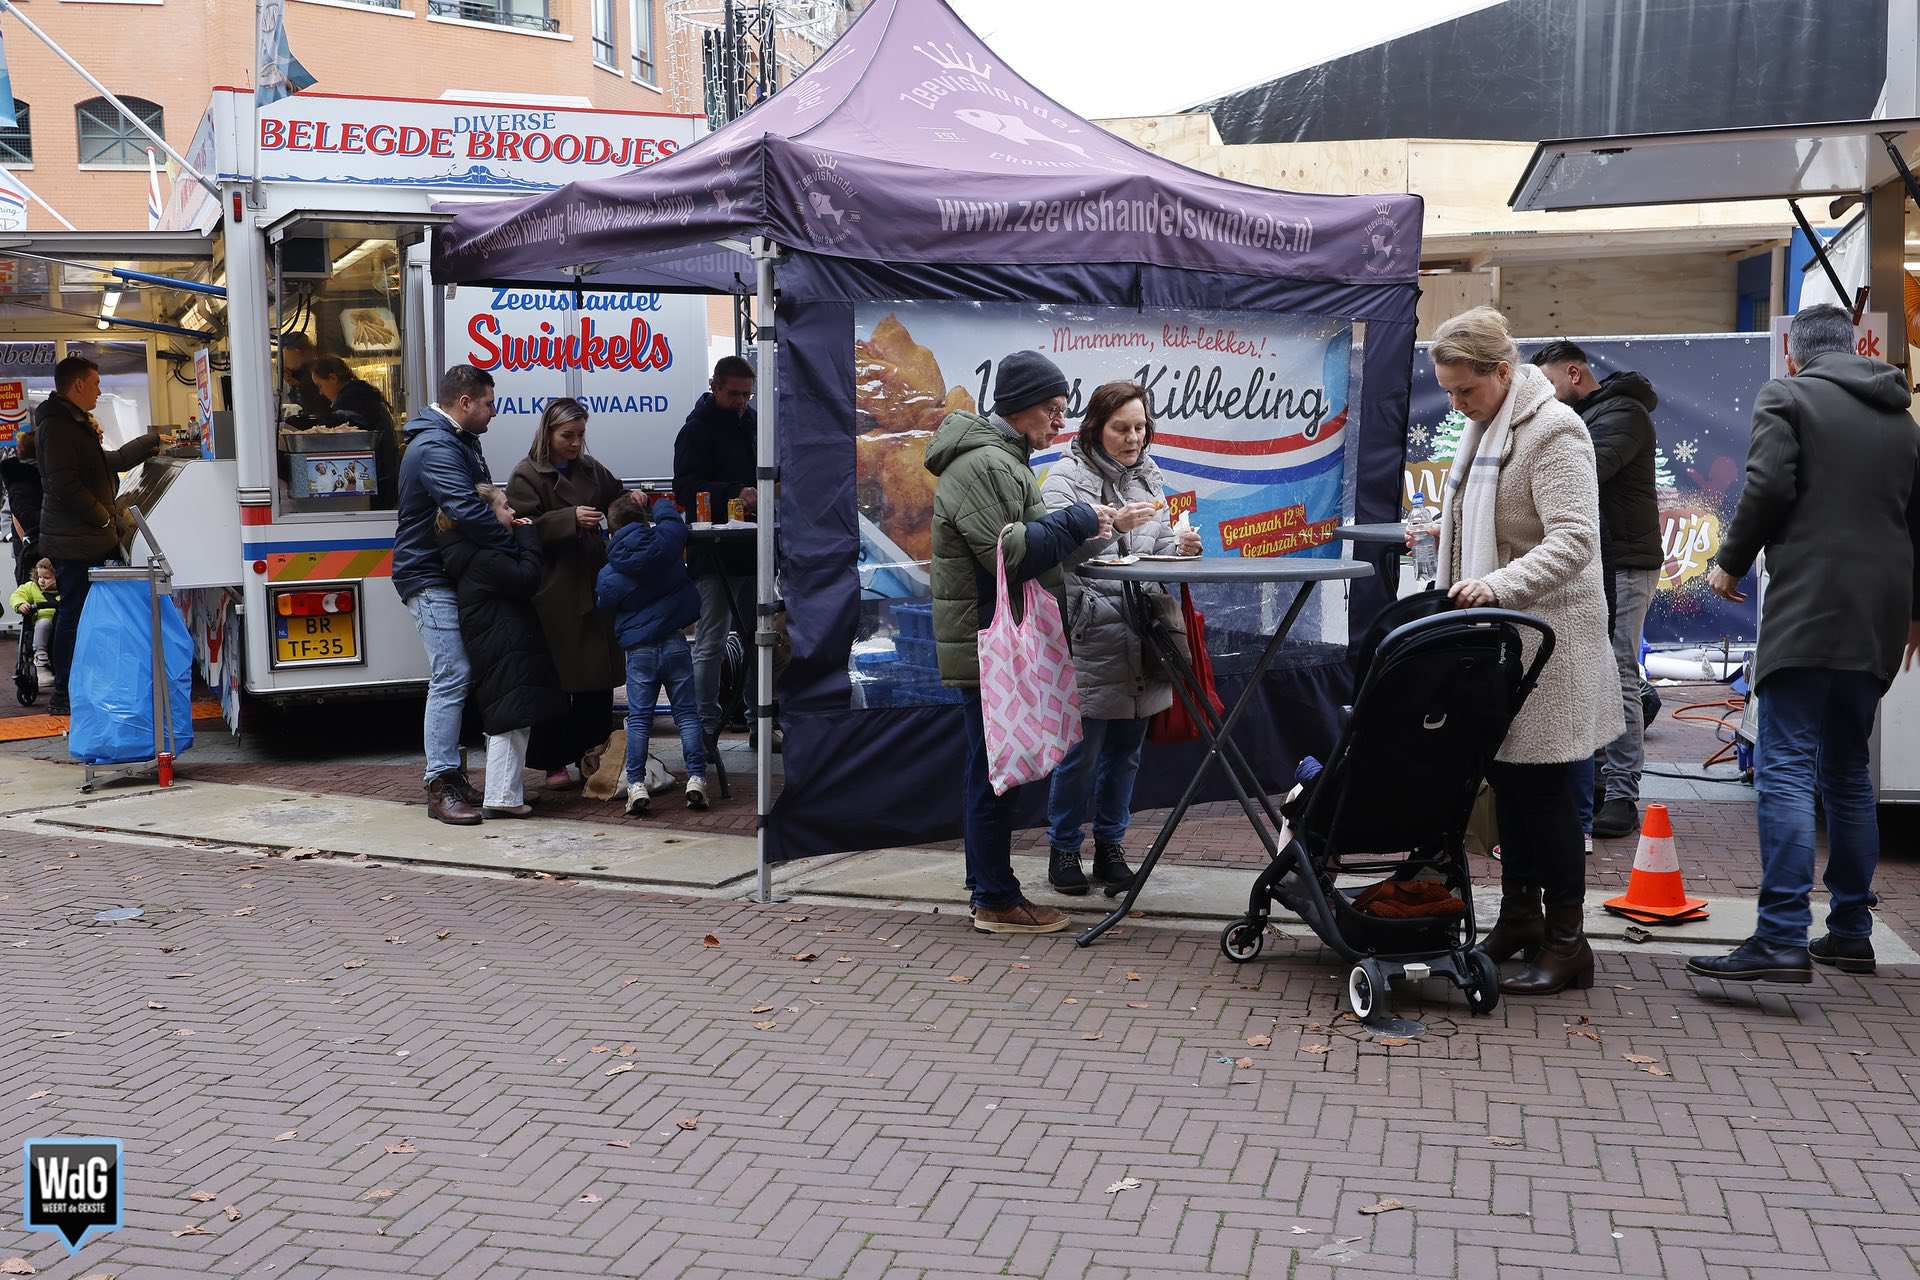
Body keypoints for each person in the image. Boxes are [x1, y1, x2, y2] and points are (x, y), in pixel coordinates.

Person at [1689, 304, 1920, 984]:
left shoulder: (1787, 396)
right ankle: (1850, 931)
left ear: (1794, 352)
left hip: (1812, 601)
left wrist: (1729, 562)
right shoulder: (1902, 419)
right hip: (1880, 610)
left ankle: (1781, 936)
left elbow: (1767, 484)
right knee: (1848, 770)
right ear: (1855, 348)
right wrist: (1915, 613)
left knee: (1786, 766)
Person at [1428, 307, 1622, 995]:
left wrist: (1495, 584)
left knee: (1545, 797)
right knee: (1510, 787)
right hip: (1506, 644)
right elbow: (1493, 522)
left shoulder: (1555, 430)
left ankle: (1568, 944)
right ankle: (1520, 919)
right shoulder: (1488, 428)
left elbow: (1575, 539)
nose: (1456, 404)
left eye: (1465, 390)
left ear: (1504, 373)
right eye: (1448, 391)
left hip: (1551, 645)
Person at [928, 350, 1115, 935]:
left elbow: (1030, 544)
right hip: (990, 642)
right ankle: (995, 899)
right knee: (996, 774)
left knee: (989, 769)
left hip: (990, 637)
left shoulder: (1001, 459)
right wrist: (1079, 518)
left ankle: (987, 888)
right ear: (1021, 406)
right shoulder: (985, 464)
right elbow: (1011, 555)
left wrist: (1092, 528)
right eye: (1053, 409)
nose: (1060, 422)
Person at [1038, 380, 1201, 895]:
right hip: (1090, 633)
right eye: (1122, 428)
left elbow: (1156, 550)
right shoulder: (1064, 480)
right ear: (1095, 428)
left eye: (1141, 427)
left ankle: (1111, 846)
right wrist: (1112, 527)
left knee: (1127, 753)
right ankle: (1064, 848)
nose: (1134, 438)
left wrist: (1182, 546)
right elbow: (1053, 555)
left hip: (1144, 631)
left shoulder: (1151, 475)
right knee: (1081, 754)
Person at [1532, 341, 1662, 839]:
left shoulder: (1624, 414)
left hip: (1624, 561)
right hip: (1599, 562)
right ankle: (1604, 777)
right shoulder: (1590, 415)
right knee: (1598, 669)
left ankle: (1622, 791)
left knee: (1620, 670)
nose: (1544, 395)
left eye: (1548, 383)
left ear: (1574, 373)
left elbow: (1587, 470)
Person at [395, 364, 512, 826]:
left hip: (446, 571)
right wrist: (509, 542)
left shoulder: (456, 440)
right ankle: (440, 783)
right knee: (452, 673)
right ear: (464, 402)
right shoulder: (436, 446)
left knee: (460, 673)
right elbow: (464, 508)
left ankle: (452, 778)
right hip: (429, 575)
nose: (493, 412)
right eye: (488, 403)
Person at [507, 397, 627, 790]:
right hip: (555, 588)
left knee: (597, 680)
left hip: (592, 581)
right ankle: (553, 761)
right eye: (567, 436)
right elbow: (520, 526)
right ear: (549, 433)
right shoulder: (526, 474)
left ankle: (593, 756)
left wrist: (631, 501)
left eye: (580, 435)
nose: (575, 443)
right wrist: (568, 519)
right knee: (557, 681)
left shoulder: (591, 468)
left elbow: (616, 495)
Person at [36, 355, 161, 716]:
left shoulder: (72, 423)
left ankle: (83, 686)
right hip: (76, 541)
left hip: (84, 538)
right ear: (77, 385)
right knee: (75, 614)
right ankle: (65, 694)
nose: (99, 390)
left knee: (83, 614)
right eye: (95, 383)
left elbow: (110, 462)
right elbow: (64, 485)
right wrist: (104, 517)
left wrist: (150, 442)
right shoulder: (59, 427)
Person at [438, 483, 569, 819]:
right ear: (486, 516)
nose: (512, 512)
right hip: (504, 643)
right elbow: (528, 578)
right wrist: (528, 538)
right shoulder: (487, 557)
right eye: (505, 507)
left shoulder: (473, 551)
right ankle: (502, 796)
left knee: (510, 716)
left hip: (499, 642)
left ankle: (505, 791)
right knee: (511, 719)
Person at [597, 493, 708, 816]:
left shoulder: (609, 572)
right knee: (686, 714)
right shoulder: (666, 543)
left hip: (639, 651)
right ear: (645, 521)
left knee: (640, 719)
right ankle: (697, 778)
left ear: (612, 532)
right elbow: (673, 521)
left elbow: (605, 605)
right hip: (674, 643)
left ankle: (636, 785)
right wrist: (656, 502)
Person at [672, 356, 758, 742]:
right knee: (711, 641)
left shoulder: (752, 423)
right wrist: (736, 493)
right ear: (715, 386)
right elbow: (685, 488)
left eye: (747, 394)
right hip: (714, 551)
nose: (741, 401)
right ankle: (704, 728)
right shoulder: (696, 430)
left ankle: (759, 721)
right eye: (735, 394)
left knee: (759, 638)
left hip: (753, 547)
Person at [310, 355, 400, 503]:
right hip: (386, 476)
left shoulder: (351, 400)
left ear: (333, 378)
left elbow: (341, 435)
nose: (320, 392)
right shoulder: (362, 393)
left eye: (320, 386)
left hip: (377, 481)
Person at [1, 437, 43, 587]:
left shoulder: (16, 482)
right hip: (32, 547)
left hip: (28, 547)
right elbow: (17, 514)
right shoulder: (27, 482)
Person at [10, 557, 57, 682]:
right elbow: (17, 595)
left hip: (61, 620)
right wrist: (20, 604)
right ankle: (40, 656)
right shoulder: (32, 587)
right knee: (44, 624)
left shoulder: (64, 589)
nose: (42, 580)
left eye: (47, 577)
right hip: (42, 619)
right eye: (39, 576)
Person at [279, 332, 331, 420]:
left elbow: (317, 404)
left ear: (296, 351)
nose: (284, 360)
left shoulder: (319, 368)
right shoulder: (297, 372)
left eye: (284, 355)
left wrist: (297, 385)